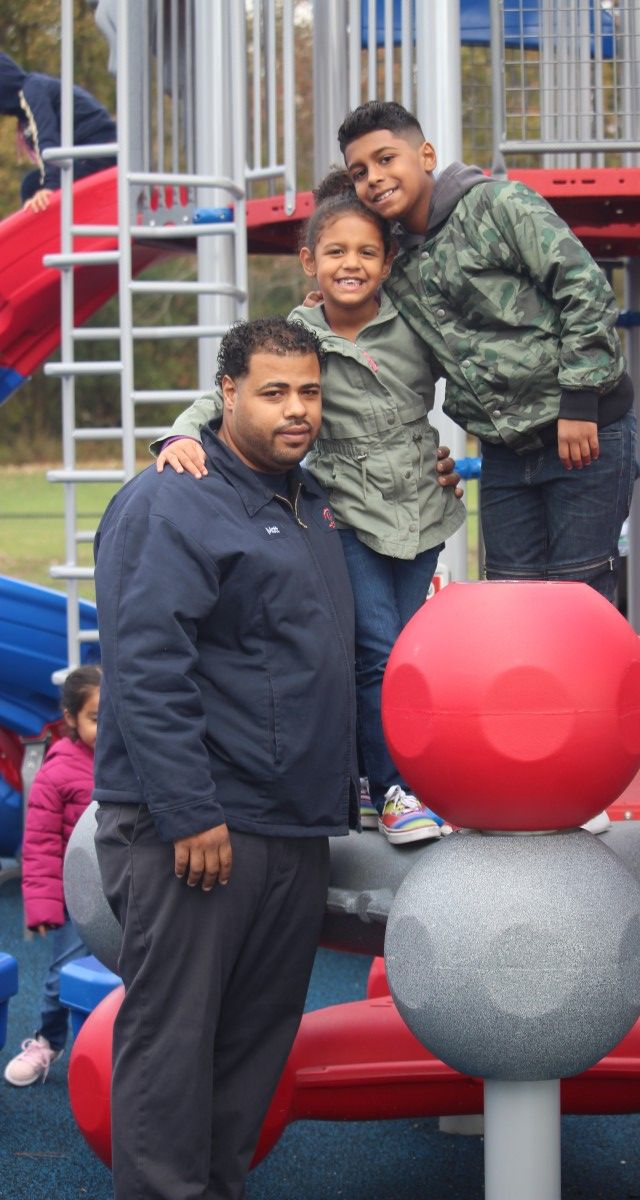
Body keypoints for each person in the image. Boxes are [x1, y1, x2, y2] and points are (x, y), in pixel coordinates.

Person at [92, 317, 358, 1200]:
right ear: (227, 395)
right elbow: (143, 662)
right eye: (275, 392)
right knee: (173, 1054)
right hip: (198, 827)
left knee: (248, 1055)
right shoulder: (172, 498)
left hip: (290, 825)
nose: (297, 410)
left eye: (310, 392)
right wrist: (188, 810)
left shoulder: (309, 502)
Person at [154, 175, 465, 846]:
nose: (350, 265)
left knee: (412, 652)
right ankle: (390, 790)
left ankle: (381, 777)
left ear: (387, 262)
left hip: (419, 508)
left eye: (366, 253)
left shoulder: (411, 324)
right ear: (309, 262)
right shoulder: (299, 333)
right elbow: (226, 396)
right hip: (350, 513)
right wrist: (182, 430)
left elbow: (474, 376)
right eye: (334, 253)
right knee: (376, 653)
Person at [338, 100, 637, 605]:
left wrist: (581, 402)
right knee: (508, 604)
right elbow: (396, 355)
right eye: (360, 171)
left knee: (578, 599)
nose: (375, 177)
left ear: (425, 155)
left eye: (387, 159)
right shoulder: (393, 262)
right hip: (505, 452)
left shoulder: (498, 206)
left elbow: (584, 289)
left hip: (583, 429)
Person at [3, 665, 101, 1087]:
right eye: (97, 719)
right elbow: (41, 844)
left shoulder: (137, 762)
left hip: (133, 891)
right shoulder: (58, 770)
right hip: (81, 895)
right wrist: (44, 905)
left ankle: (123, 1048)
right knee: (66, 970)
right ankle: (49, 1039)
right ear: (72, 719)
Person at [0, 52, 116, 213]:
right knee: (31, 183)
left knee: (33, 185)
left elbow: (47, 139)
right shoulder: (23, 113)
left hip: (101, 155)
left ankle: (49, 232)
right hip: (83, 157)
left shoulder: (32, 90)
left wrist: (51, 187)